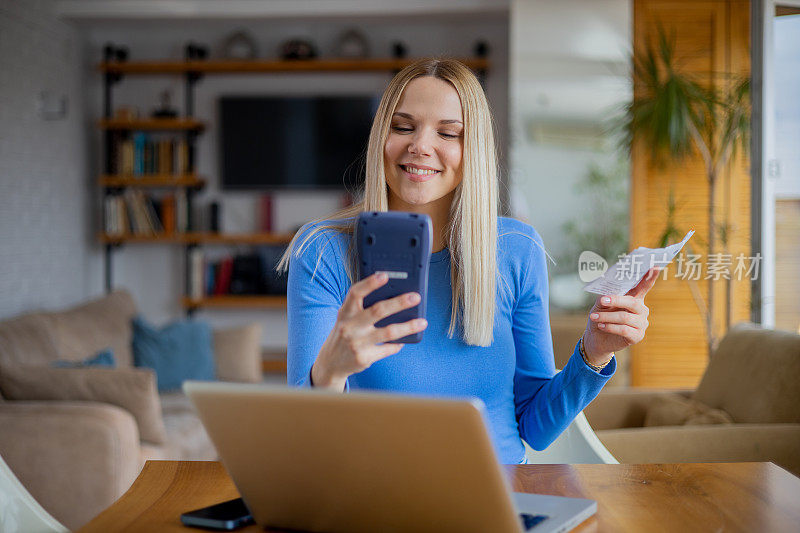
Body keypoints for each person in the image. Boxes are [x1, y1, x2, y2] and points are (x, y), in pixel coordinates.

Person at [279, 58, 656, 465]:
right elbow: (307, 442)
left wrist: (594, 353)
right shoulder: (323, 251)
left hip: (501, 493)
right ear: (380, 139)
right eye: (403, 126)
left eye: (448, 133)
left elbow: (536, 428)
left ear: (471, 148)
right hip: (378, 495)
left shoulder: (516, 249)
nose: (420, 145)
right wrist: (329, 374)